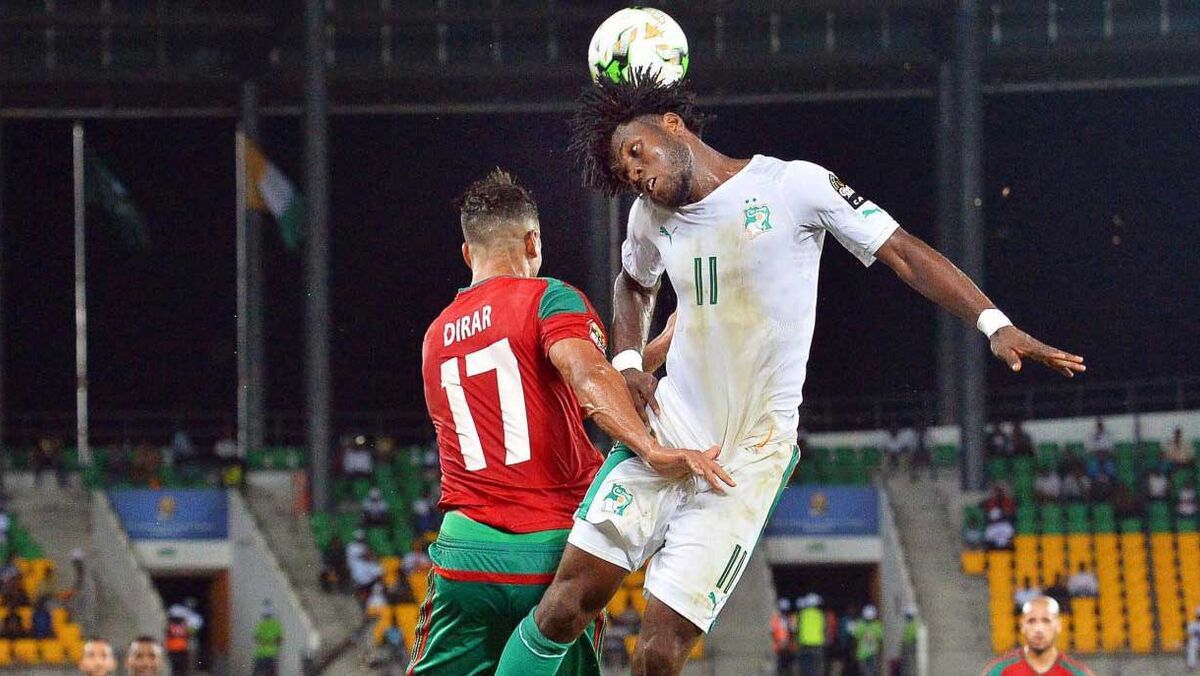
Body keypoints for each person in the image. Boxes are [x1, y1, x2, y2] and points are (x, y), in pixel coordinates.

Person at [495, 72, 1083, 676]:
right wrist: (627, 362)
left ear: (673, 124)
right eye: (625, 173)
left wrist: (994, 324)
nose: (636, 174)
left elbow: (902, 251)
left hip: (749, 459)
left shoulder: (792, 185)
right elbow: (632, 283)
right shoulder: (648, 217)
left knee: (659, 655)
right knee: (566, 606)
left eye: (636, 153)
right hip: (668, 427)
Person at [412, 169, 719, 676]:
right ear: (533, 241)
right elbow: (588, 377)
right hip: (550, 556)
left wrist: (658, 348)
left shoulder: (436, 334)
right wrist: (651, 448)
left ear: (468, 253)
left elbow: (546, 400)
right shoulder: (549, 299)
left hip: (467, 554)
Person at [982, 596, 1096, 675]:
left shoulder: (1077, 673)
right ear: (1022, 625)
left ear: (1058, 624)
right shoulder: (999, 671)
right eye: (1031, 621)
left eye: (1046, 621)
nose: (1038, 628)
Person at [795, 594, 825, 676]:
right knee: (816, 669)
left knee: (805, 668)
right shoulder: (820, 615)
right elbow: (823, 629)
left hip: (804, 644)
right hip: (817, 644)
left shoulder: (801, 614)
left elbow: (796, 628)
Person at [851, 604, 883, 676]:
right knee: (870, 671)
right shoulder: (876, 625)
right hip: (868, 652)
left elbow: (855, 636)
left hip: (867, 652)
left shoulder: (860, 624)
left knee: (867, 671)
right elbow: (880, 638)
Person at [253, 601, 284, 676]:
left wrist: (264, 641)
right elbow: (279, 640)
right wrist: (272, 642)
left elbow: (257, 639)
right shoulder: (276, 625)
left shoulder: (260, 625)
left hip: (260, 655)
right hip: (272, 655)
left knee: (255, 673)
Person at [770, 598, 793, 676]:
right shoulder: (776, 620)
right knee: (780, 668)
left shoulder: (790, 619)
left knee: (788, 668)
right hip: (779, 648)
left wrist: (788, 643)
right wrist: (779, 643)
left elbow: (793, 632)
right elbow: (773, 633)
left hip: (788, 648)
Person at [901, 607, 920, 676]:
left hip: (911, 647)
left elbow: (915, 638)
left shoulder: (914, 626)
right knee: (908, 665)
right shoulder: (911, 625)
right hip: (908, 647)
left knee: (910, 665)